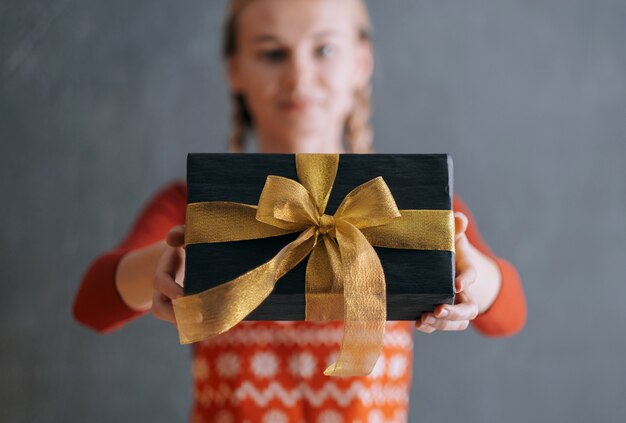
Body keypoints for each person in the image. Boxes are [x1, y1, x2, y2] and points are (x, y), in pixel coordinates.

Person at [73, 0, 527, 422]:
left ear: (361, 63)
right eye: (272, 54)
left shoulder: (411, 205)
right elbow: (92, 303)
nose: (299, 76)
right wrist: (165, 265)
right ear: (235, 70)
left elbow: (508, 312)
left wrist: (475, 283)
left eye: (324, 49)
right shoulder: (193, 206)